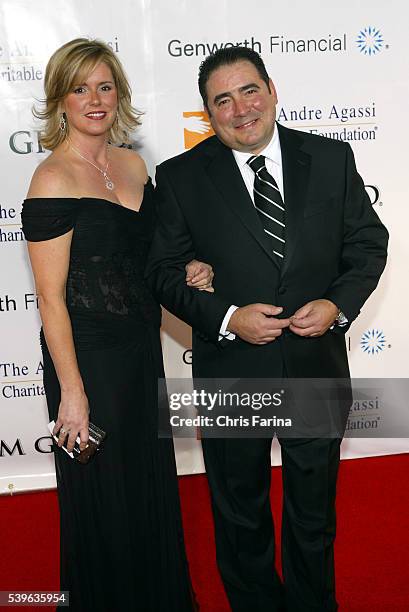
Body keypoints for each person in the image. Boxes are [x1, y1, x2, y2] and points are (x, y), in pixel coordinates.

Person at [146, 47, 389, 611]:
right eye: (222, 100)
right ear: (208, 113)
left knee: (313, 518)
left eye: (249, 90)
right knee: (241, 518)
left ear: (273, 89)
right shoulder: (181, 177)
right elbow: (161, 272)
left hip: (314, 367)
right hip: (233, 371)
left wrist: (336, 305)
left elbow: (367, 244)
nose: (240, 108)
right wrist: (228, 318)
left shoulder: (330, 157)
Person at [21, 37, 214, 611]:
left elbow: (151, 258)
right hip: (88, 362)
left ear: (120, 94)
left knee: (147, 487)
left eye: (105, 86)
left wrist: (189, 269)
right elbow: (51, 301)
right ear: (60, 100)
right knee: (105, 498)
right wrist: (73, 395)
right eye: (80, 88)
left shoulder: (133, 164)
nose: (94, 99)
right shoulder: (51, 179)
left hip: (139, 353)